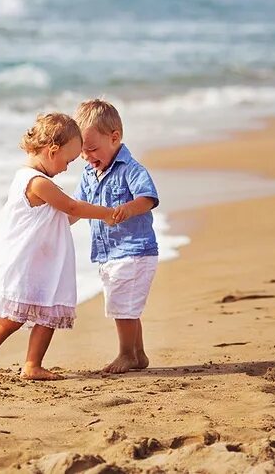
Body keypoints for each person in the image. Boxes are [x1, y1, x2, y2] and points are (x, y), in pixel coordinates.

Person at [0, 112, 116, 381]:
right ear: (52, 151)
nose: (66, 168)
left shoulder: (41, 182)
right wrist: (106, 212)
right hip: (26, 261)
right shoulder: (37, 182)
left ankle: (32, 364)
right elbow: (72, 206)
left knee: (47, 313)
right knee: (14, 316)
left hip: (44, 263)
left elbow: (65, 217)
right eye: (68, 160)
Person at [72, 99, 160, 374]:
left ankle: (125, 354)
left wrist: (127, 208)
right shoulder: (89, 174)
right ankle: (138, 354)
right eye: (82, 152)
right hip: (109, 253)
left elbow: (148, 198)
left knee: (122, 306)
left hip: (134, 249)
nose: (87, 157)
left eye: (93, 149)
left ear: (115, 138)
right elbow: (77, 206)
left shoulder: (131, 169)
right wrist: (59, 221)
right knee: (126, 304)